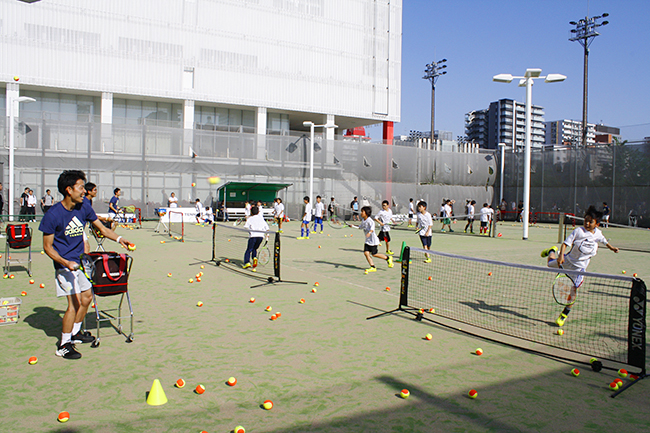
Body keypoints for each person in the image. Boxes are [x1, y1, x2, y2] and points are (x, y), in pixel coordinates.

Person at [39, 170, 130, 360]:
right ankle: (63, 345)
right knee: (74, 304)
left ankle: (75, 332)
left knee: (87, 298)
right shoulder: (53, 215)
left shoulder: (84, 207)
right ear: (69, 189)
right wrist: (65, 262)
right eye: (81, 187)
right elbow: (47, 248)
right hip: (65, 267)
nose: (84, 191)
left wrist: (120, 239)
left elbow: (103, 229)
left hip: (81, 263)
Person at [541, 205, 619, 328]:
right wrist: (561, 256)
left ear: (597, 224)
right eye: (585, 220)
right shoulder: (578, 231)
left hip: (579, 270)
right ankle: (551, 250)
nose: (587, 223)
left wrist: (613, 248)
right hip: (567, 261)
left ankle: (564, 315)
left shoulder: (598, 234)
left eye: (590, 222)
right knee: (549, 263)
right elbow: (565, 244)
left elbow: (604, 241)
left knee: (573, 291)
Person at [353, 206, 393, 274]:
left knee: (374, 254)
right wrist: (353, 226)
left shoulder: (370, 220)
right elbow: (360, 227)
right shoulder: (363, 220)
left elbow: (372, 228)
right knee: (366, 253)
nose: (361, 213)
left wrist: (369, 233)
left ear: (366, 213)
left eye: (362, 211)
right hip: (367, 241)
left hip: (373, 241)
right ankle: (373, 267)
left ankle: (388, 258)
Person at [242, 205, 269, 270]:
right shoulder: (261, 219)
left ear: (251, 212)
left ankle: (247, 262)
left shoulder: (250, 219)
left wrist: (250, 231)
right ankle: (254, 258)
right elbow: (267, 228)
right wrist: (267, 236)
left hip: (253, 236)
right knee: (255, 249)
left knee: (249, 250)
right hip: (261, 237)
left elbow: (246, 226)